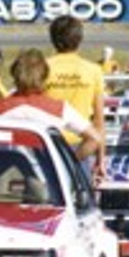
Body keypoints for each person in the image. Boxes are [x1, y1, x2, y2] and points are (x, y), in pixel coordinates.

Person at [0, 48, 102, 162]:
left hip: (7, 176)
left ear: (14, 75)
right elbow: (95, 139)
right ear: (45, 76)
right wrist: (69, 163)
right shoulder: (59, 109)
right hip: (47, 178)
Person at [45, 14, 106, 181]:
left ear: (52, 39)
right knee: (81, 203)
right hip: (82, 147)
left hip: (47, 145)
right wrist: (101, 158)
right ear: (80, 39)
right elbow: (99, 120)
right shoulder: (93, 70)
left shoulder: (43, 68)